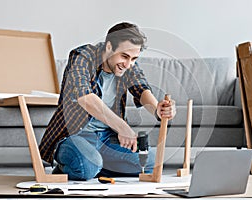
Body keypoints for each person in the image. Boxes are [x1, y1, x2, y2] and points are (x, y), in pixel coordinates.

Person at [39, 22, 176, 180]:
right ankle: (84, 165)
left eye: (133, 58)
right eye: (124, 56)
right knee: (87, 166)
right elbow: (85, 98)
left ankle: (94, 167)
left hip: (107, 138)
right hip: (75, 135)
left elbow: (141, 88)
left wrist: (158, 109)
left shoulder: (128, 65)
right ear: (109, 46)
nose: (128, 64)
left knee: (151, 162)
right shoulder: (82, 57)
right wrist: (123, 127)